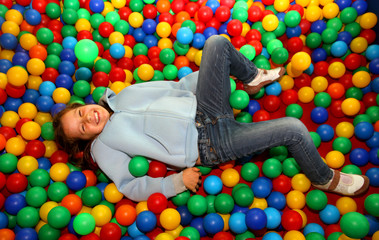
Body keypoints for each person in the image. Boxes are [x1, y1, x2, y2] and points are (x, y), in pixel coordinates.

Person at [53, 35, 369, 202]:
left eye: (80, 113)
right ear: (85, 139)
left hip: (206, 107)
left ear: (83, 105)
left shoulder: (123, 95)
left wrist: (213, 79)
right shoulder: (103, 146)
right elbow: (129, 186)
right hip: (209, 144)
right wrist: (176, 181)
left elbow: (176, 87)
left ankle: (253, 78)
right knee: (295, 128)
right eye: (82, 128)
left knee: (216, 44)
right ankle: (323, 178)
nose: (88, 119)